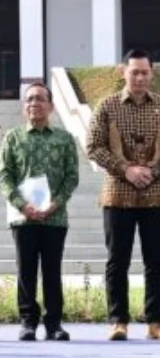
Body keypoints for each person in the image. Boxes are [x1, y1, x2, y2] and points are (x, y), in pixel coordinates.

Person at [86, 49, 160, 341]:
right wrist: (126, 169)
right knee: (117, 260)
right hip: (118, 195)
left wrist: (152, 172)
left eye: (145, 72)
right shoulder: (107, 106)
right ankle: (119, 321)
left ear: (152, 73)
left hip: (156, 194)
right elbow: (93, 146)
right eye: (134, 72)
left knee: (157, 261)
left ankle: (155, 321)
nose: (140, 78)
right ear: (122, 72)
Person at [0, 82, 78, 342]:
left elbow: (72, 177)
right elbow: (4, 175)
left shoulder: (64, 139)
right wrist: (23, 205)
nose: (35, 103)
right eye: (29, 99)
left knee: (52, 271)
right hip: (24, 217)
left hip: (55, 217)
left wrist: (56, 203)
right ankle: (27, 322)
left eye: (40, 99)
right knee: (26, 271)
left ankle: (54, 324)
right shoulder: (13, 137)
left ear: (51, 106)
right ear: (24, 108)